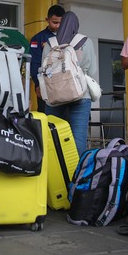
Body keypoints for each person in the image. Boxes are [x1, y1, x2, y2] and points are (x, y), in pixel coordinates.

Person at [42, 11, 97, 154]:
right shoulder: (86, 42)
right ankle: (77, 173)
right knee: (78, 138)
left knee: (52, 136)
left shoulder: (50, 43)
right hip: (80, 95)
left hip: (54, 97)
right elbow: (92, 71)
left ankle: (56, 172)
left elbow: (43, 69)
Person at [30, 5, 65, 113]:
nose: (58, 26)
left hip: (65, 84)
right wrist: (37, 84)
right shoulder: (38, 38)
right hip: (45, 85)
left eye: (61, 23)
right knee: (46, 118)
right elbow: (35, 63)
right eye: (54, 22)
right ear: (47, 20)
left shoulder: (68, 37)